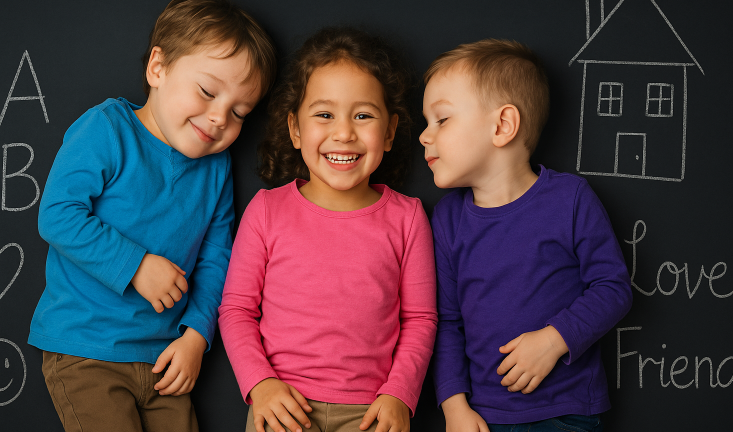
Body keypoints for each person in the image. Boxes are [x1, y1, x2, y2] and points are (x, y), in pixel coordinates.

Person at [28, 1, 276, 431]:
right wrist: (137, 266)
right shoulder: (108, 129)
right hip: (87, 350)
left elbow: (218, 258)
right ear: (158, 68)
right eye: (207, 92)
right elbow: (57, 214)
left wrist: (197, 336)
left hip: (165, 361)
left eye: (239, 113)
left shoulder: (215, 168)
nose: (220, 117)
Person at [218, 27, 437, 432]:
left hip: (372, 412)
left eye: (363, 115)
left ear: (389, 132)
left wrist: (399, 395)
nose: (343, 133)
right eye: (324, 114)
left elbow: (421, 318)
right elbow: (236, 309)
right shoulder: (267, 210)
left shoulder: (407, 217)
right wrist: (260, 384)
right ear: (295, 129)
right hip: (282, 406)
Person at [420, 39, 633, 432]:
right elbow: (447, 322)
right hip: (482, 418)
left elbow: (612, 287)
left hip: (567, 412)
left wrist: (554, 341)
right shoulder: (447, 220)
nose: (424, 136)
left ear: (502, 125)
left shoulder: (569, 199)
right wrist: (454, 407)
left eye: (441, 120)